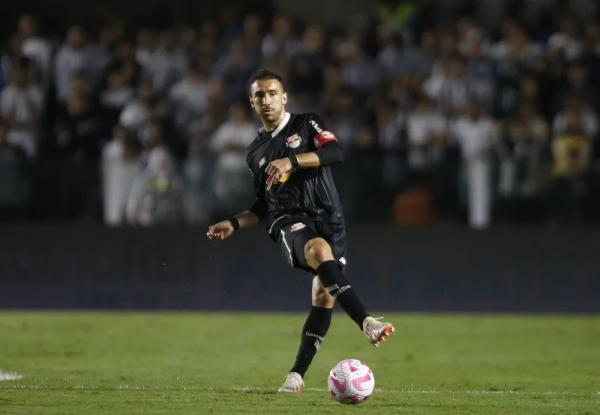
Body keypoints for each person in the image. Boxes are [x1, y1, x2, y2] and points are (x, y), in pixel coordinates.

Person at [207, 69, 394, 393]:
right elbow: (263, 205)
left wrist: (292, 162)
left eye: (272, 93)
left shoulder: (307, 124)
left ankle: (295, 377)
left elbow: (335, 153)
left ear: (284, 97)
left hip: (330, 221)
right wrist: (234, 222)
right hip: (287, 220)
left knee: (324, 294)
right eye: (260, 95)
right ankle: (367, 321)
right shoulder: (255, 152)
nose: (267, 100)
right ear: (252, 102)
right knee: (318, 251)